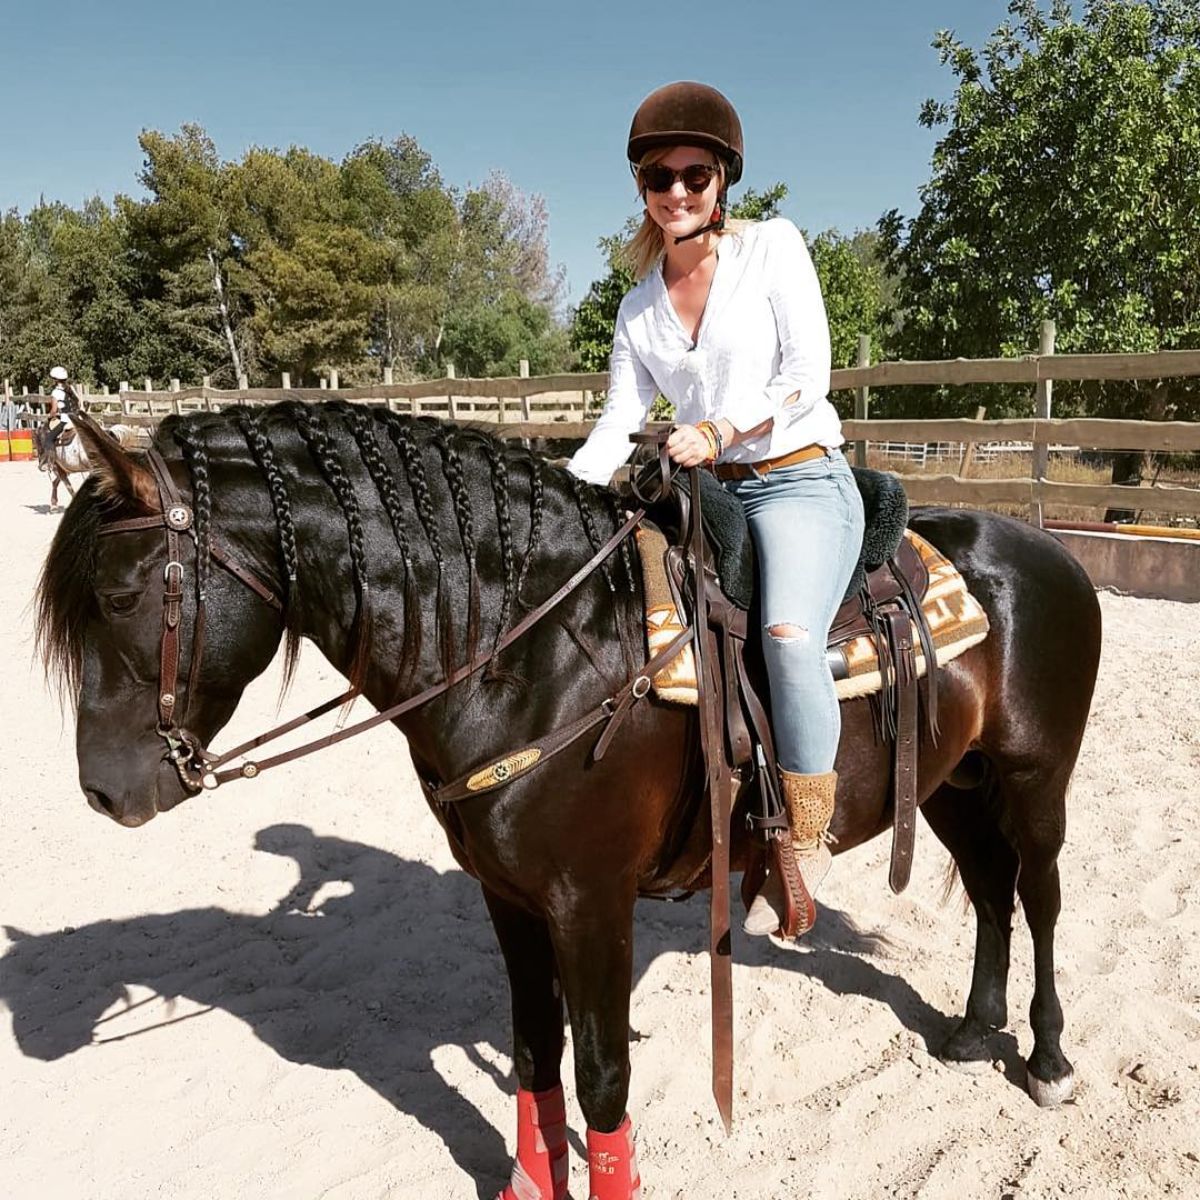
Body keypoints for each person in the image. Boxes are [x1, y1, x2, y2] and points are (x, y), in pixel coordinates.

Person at [567, 81, 865, 937]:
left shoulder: (774, 249)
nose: (678, 190)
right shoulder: (637, 307)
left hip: (798, 478)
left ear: (723, 178)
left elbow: (809, 371)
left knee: (786, 636)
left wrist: (722, 426)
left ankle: (804, 833)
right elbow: (619, 420)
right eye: (660, 176)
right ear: (643, 187)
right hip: (708, 494)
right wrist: (561, 485)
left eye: (696, 174)